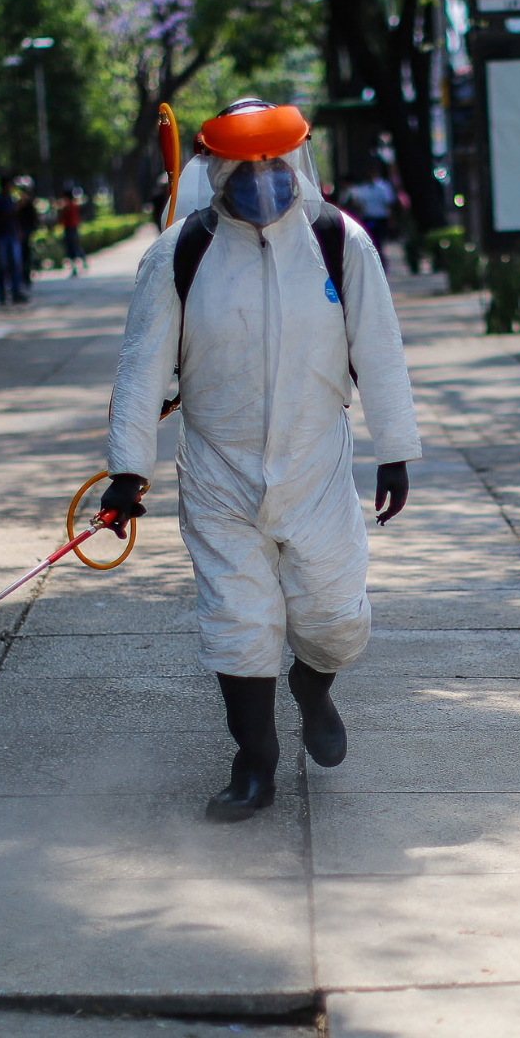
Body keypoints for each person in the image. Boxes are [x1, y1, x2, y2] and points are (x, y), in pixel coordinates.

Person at [100, 99, 421, 823]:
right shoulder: (180, 251)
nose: (261, 178)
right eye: (244, 166)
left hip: (317, 464)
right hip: (219, 469)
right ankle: (254, 762)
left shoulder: (341, 241)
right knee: (238, 618)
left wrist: (394, 450)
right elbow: (141, 365)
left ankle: (314, 688)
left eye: (274, 163)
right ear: (214, 167)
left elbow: (379, 349)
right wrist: (128, 471)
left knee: (337, 616)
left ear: (298, 160)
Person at [347, 164, 395, 269]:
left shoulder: (383, 187)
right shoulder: (362, 189)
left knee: (381, 242)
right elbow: (359, 205)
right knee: (372, 241)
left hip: (381, 218)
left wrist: (391, 220)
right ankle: (375, 262)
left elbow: (388, 204)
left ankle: (382, 262)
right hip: (369, 218)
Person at [14, 178, 40, 297]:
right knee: (20, 257)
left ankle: (26, 276)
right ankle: (21, 278)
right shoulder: (17, 203)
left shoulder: (29, 203)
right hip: (18, 233)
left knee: (26, 255)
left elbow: (34, 218)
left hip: (26, 232)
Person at [58, 190, 87, 276]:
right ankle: (77, 265)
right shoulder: (73, 206)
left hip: (70, 229)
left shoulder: (69, 207)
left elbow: (64, 219)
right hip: (72, 228)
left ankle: (77, 266)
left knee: (72, 248)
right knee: (73, 248)